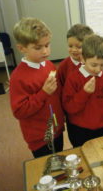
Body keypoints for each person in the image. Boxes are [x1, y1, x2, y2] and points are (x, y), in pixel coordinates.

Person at [10, 17, 65, 158]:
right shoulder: (18, 77)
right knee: (46, 168)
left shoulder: (49, 66)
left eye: (47, 45)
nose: (45, 51)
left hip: (57, 130)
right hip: (39, 137)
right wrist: (43, 93)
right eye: (38, 48)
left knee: (59, 161)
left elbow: (56, 96)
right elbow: (19, 111)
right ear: (22, 48)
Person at [62, 34, 103, 147]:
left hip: (102, 129)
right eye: (94, 65)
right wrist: (84, 93)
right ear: (83, 59)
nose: (98, 69)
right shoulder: (73, 79)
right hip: (79, 130)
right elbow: (69, 108)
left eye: (102, 65)